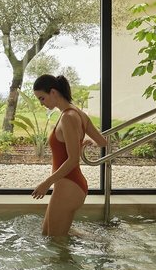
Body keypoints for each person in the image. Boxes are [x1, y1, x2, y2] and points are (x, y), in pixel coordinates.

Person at [32, 74, 107, 237]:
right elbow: (102, 141)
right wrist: (82, 143)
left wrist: (46, 183)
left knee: (55, 241)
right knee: (47, 235)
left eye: (42, 98)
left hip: (69, 186)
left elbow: (73, 160)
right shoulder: (77, 112)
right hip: (70, 184)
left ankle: (102, 244)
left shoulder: (68, 117)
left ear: (53, 92)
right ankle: (96, 241)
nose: (41, 103)